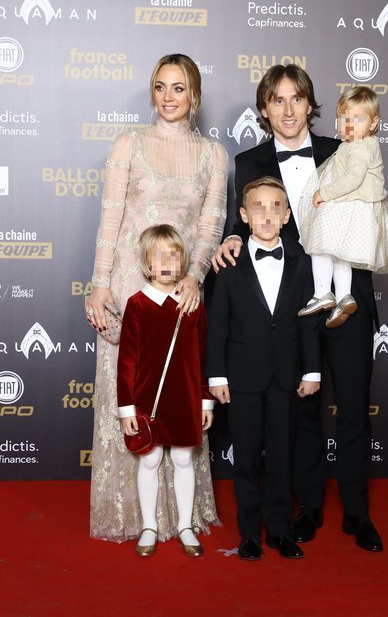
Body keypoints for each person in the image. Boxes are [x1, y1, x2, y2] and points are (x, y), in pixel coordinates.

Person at [211, 64, 383, 552]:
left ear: (311, 104)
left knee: (352, 409)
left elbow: (370, 206)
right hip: (289, 309)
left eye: (296, 99)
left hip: (347, 298)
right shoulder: (248, 161)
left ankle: (357, 513)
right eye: (276, 100)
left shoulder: (341, 149)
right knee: (301, 413)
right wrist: (228, 238)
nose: (288, 110)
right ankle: (307, 508)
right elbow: (241, 220)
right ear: (264, 110)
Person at [86, 54, 227, 543]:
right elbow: (111, 219)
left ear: (195, 96)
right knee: (132, 394)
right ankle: (135, 516)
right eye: (161, 87)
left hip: (182, 292)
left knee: (180, 395)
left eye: (180, 88)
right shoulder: (128, 143)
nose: (169, 97)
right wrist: (100, 283)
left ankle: (181, 518)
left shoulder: (214, 155)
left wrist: (198, 275)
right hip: (130, 290)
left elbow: (210, 227)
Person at [206, 177, 320, 561]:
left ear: (287, 216)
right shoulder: (229, 264)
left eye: (275, 207)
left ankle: (279, 530)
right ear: (243, 215)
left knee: (282, 458)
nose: (267, 215)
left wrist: (312, 371)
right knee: (247, 458)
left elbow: (308, 321)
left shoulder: (302, 263)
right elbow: (217, 323)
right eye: (258, 206)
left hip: (287, 376)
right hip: (243, 377)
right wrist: (217, 375)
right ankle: (249, 535)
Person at [117, 225, 215, 557]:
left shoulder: (193, 303)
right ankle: (149, 526)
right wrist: (127, 409)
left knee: (184, 458)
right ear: (146, 262)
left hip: (185, 396)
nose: (167, 261)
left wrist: (206, 402)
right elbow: (126, 361)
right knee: (150, 458)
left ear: (183, 259)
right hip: (148, 399)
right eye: (158, 255)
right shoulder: (137, 304)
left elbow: (204, 354)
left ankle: (185, 526)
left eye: (173, 254)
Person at [295, 86, 388, 328]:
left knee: (319, 248)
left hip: (349, 207)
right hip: (358, 209)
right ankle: (343, 296)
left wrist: (324, 193)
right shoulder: (356, 144)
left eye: (357, 119)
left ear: (373, 124)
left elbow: (352, 179)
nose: (349, 124)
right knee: (341, 256)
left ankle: (322, 293)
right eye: (344, 118)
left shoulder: (361, 148)